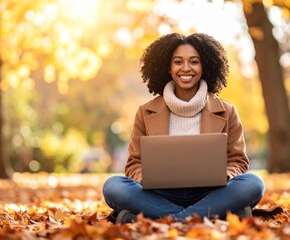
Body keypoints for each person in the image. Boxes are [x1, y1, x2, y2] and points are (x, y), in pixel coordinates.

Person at [102, 33, 265, 224]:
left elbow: (238, 161)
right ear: (168, 68)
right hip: (160, 194)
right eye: (178, 62)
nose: (186, 68)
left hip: (211, 192)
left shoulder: (228, 111)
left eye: (194, 62)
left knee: (253, 184)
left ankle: (165, 218)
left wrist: (224, 175)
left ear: (204, 67)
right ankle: (212, 215)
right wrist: (145, 178)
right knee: (113, 186)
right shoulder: (145, 112)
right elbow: (134, 164)